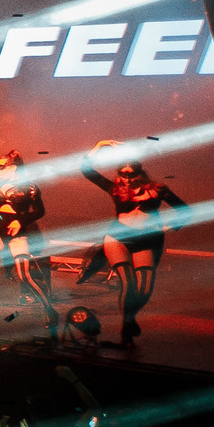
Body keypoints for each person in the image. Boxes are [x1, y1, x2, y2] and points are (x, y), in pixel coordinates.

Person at [82, 142, 188, 347]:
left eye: (131, 175)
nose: (127, 179)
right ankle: (126, 332)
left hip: (147, 240)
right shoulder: (115, 189)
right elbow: (87, 170)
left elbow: (185, 210)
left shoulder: (158, 189)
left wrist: (170, 225)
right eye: (123, 174)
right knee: (128, 284)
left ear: (140, 174)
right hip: (118, 238)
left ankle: (129, 321)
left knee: (144, 289)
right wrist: (99, 145)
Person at [0, 151, 55, 330]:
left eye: (2, 167)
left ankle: (49, 309)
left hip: (16, 231)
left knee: (24, 275)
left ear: (13, 167)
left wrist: (20, 221)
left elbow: (39, 211)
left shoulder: (30, 187)